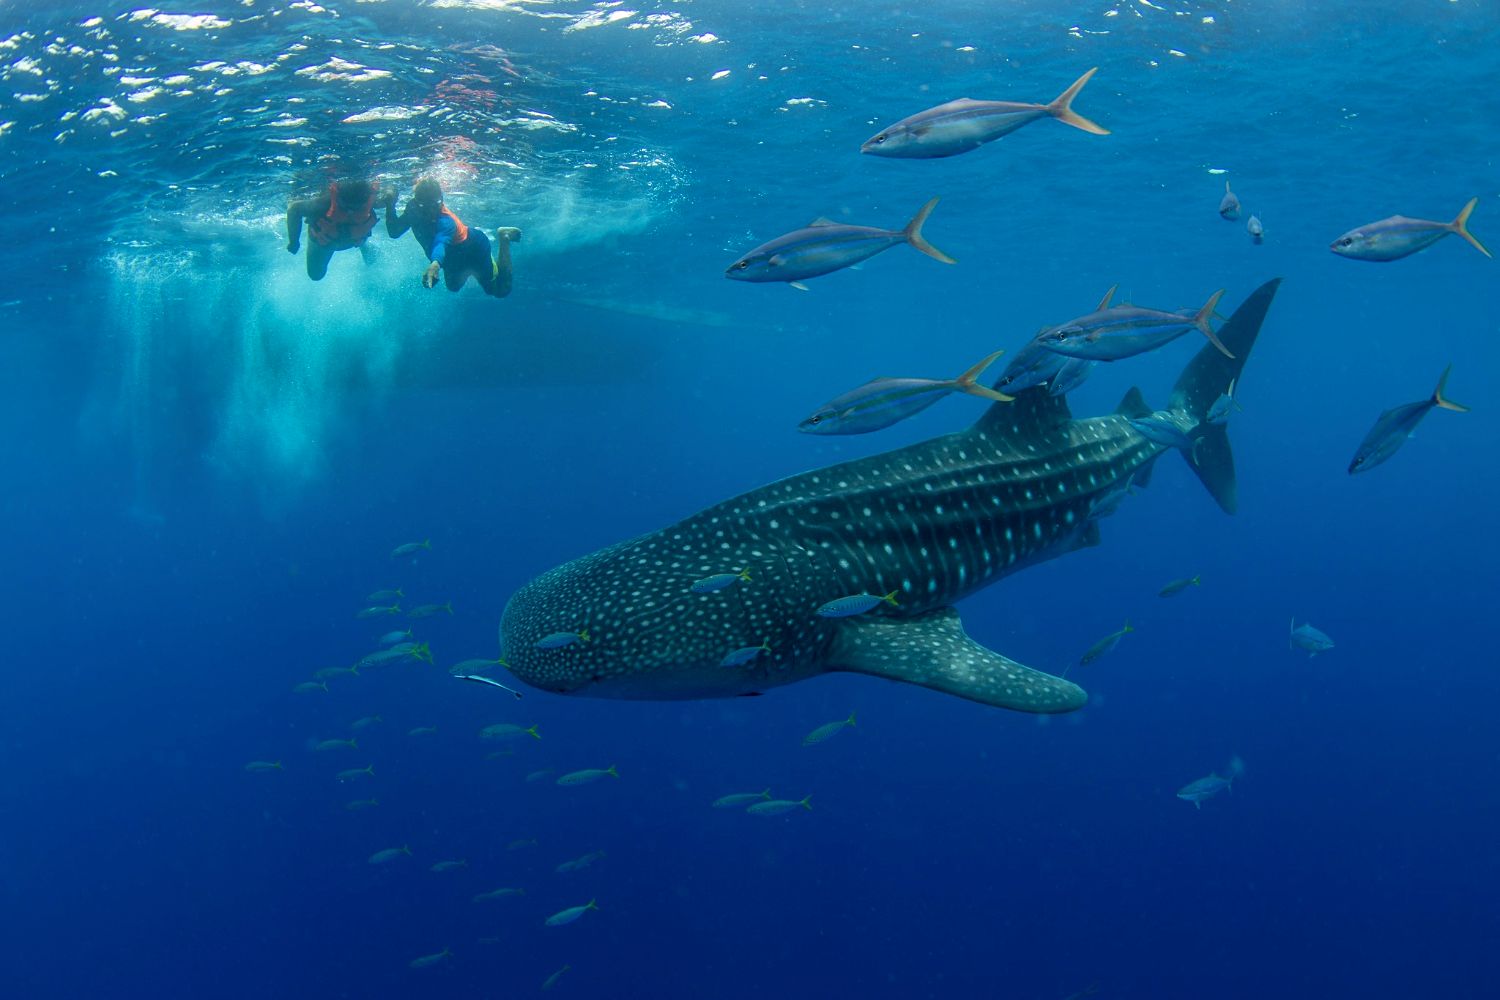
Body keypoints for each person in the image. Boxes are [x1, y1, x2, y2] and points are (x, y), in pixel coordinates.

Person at [384, 177, 520, 297]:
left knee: (501, 290)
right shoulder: (413, 210)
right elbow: (394, 232)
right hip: (453, 256)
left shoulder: (446, 221)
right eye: (427, 207)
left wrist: (435, 263)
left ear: (441, 200)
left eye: (437, 205)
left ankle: (504, 237)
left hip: (475, 249)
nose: (432, 210)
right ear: (418, 203)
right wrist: (390, 204)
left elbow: (440, 242)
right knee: (453, 287)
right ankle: (470, 270)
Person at [285, 178, 381, 280]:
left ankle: (364, 244)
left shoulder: (368, 199)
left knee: (316, 275)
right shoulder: (322, 204)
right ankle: (363, 243)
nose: (351, 211)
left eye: (357, 206)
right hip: (325, 242)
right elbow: (293, 209)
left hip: (353, 238)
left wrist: (294, 243)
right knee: (316, 275)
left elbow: (293, 208)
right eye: (347, 206)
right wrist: (294, 241)